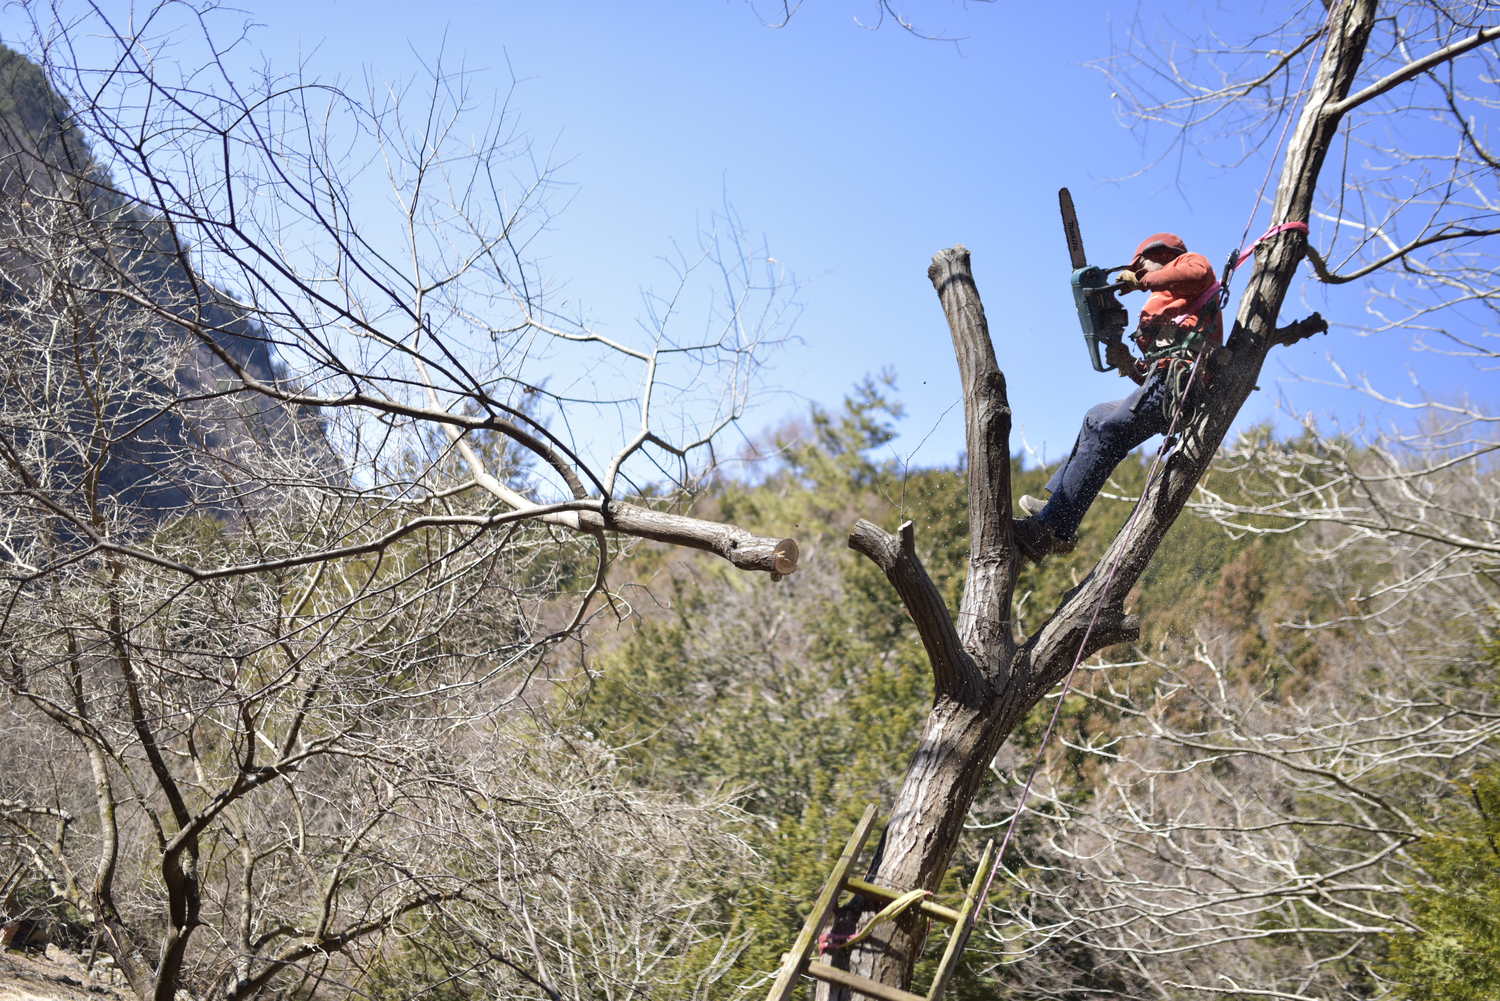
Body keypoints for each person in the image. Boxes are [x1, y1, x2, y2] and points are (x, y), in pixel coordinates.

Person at [1013, 232, 1220, 563]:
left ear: (1159, 254)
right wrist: (1127, 361)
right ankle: (1058, 508)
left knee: (1110, 429)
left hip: (1182, 385)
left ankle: (1050, 529)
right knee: (1096, 416)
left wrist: (1144, 280)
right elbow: (1149, 372)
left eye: (1140, 266)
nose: (1138, 274)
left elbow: (1195, 276)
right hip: (1160, 383)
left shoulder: (1188, 264)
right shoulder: (1164, 303)